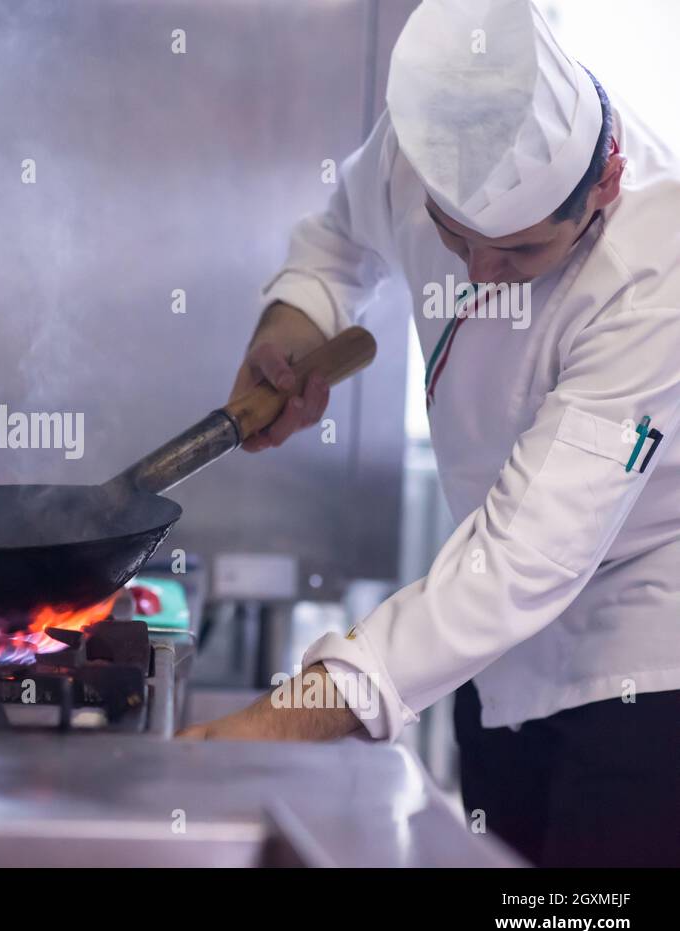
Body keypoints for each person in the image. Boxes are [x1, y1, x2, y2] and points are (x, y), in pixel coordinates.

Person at [180, 0, 680, 868]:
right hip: (490, 642)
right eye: (457, 240)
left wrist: (274, 724)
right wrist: (294, 328)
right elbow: (338, 241)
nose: (480, 275)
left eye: (520, 255)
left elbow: (531, 554)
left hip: (644, 648)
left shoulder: (656, 269)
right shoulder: (432, 141)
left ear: (604, 182)